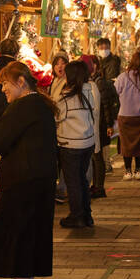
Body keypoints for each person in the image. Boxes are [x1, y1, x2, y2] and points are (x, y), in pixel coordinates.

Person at [0, 62, 59, 279]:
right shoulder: (40, 105)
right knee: (29, 235)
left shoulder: (23, 106)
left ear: (20, 82)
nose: (3, 88)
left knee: (17, 234)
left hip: (22, 183)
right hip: (38, 180)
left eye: (6, 82)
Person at [55, 61, 99, 228]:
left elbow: (58, 117)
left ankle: (77, 216)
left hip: (70, 144)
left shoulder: (66, 97)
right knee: (81, 180)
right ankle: (86, 215)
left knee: (73, 182)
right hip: (87, 142)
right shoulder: (89, 91)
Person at [115, 52, 140, 180]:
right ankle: (138, 170)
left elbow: (115, 91)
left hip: (125, 114)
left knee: (126, 144)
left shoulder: (122, 77)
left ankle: (127, 171)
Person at [84, 55, 119, 199]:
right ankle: (96, 186)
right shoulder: (92, 82)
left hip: (100, 125)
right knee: (95, 157)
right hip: (97, 124)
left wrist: (109, 124)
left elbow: (104, 105)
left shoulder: (98, 83)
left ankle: (99, 187)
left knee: (97, 157)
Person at [49, 51, 69, 202]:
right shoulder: (53, 81)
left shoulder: (68, 82)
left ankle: (63, 189)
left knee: (64, 158)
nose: (60, 66)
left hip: (63, 125)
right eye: (57, 63)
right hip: (53, 125)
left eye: (63, 63)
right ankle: (58, 187)